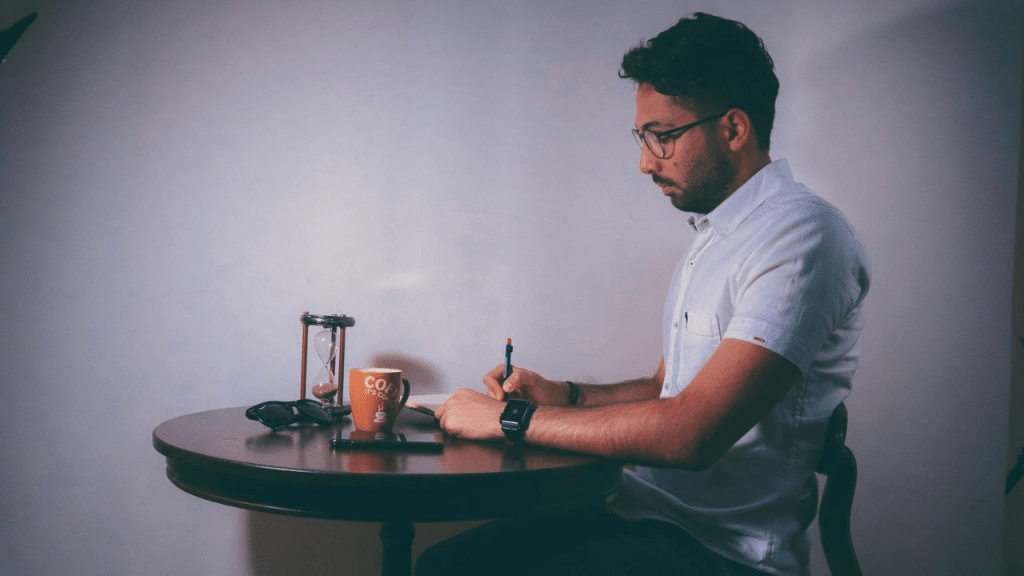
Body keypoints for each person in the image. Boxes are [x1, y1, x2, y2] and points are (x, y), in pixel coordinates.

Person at [417, 12, 870, 576]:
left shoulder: (805, 237)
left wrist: (508, 420)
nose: (643, 161)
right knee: (446, 562)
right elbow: (666, 388)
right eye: (642, 136)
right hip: (644, 518)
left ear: (733, 129)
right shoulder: (717, 236)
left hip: (723, 554)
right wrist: (566, 394)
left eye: (663, 136)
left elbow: (692, 432)